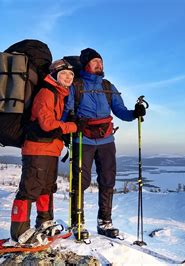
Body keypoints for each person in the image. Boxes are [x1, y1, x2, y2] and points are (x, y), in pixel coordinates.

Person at [63, 48, 146, 239]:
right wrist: (73, 121)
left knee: (108, 180)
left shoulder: (108, 86)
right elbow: (66, 112)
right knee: (80, 182)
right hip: (82, 139)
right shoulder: (76, 86)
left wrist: (135, 113)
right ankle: (77, 223)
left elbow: (120, 111)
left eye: (101, 61)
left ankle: (105, 222)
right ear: (86, 65)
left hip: (107, 140)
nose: (100, 64)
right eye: (95, 62)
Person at [10, 59, 78, 245]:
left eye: (71, 74)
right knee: (29, 189)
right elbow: (46, 124)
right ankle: (20, 231)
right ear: (54, 74)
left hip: (50, 150)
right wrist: (71, 126)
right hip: (37, 149)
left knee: (46, 187)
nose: (68, 77)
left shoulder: (59, 95)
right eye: (64, 73)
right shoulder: (46, 93)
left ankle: (45, 221)